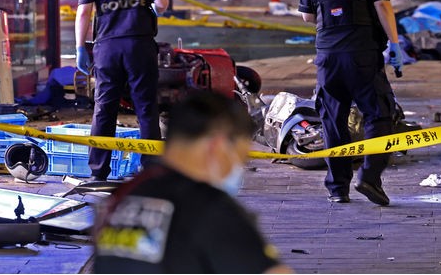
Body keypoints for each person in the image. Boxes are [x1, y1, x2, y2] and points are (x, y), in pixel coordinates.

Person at [93, 91, 293, 274]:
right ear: (218, 146)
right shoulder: (211, 209)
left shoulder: (121, 198)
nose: (238, 169)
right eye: (240, 158)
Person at [298, 0, 402, 206]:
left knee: (333, 119)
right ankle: (369, 176)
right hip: (361, 53)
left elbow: (307, 17)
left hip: (327, 55)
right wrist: (395, 42)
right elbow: (382, 5)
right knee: (378, 114)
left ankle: (337, 188)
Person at [74, 0, 170, 181]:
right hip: (139, 45)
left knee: (104, 108)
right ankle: (150, 170)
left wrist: (81, 48)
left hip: (106, 49)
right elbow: (161, 4)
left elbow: (83, 13)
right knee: (146, 109)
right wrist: (146, 7)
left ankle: (98, 172)